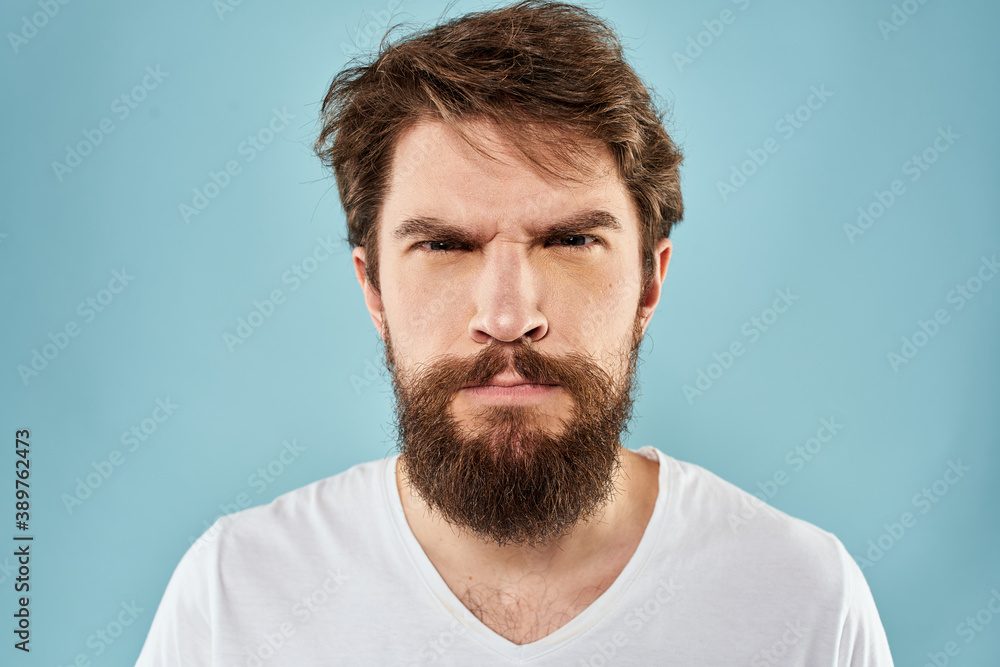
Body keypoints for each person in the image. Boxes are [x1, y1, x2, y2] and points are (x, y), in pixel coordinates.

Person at [136, 1, 895, 664]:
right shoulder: (234, 595)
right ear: (373, 289)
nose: (507, 317)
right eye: (444, 245)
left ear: (649, 282)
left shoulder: (804, 599)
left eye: (570, 241)